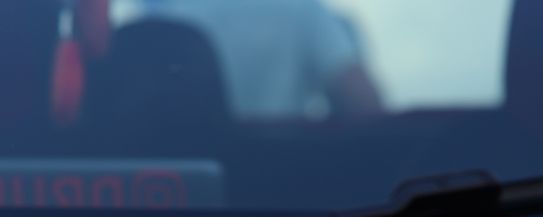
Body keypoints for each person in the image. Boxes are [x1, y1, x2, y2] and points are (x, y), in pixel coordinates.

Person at [136, 0, 380, 119]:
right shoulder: (302, 9)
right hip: (283, 184)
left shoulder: (171, 12)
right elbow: (362, 101)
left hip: (201, 192)